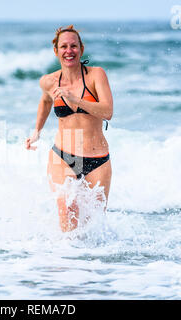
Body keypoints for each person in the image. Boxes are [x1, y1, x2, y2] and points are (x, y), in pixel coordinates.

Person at [25, 25, 113, 232]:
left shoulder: (95, 75)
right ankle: (65, 261)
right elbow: (46, 102)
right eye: (63, 46)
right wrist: (36, 132)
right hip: (64, 155)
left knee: (93, 226)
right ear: (56, 51)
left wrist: (75, 99)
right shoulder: (49, 81)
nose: (69, 51)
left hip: (98, 159)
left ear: (81, 49)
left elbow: (107, 111)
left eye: (74, 46)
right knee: (68, 210)